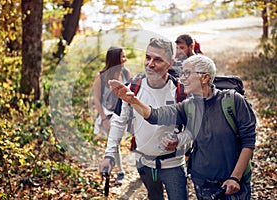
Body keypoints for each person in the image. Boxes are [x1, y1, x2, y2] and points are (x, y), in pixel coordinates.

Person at [108, 54, 256, 200]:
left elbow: (248, 142)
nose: (181, 78)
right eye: (181, 74)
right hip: (202, 182)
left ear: (205, 78)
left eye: (187, 73)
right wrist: (132, 100)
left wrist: (235, 178)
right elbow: (154, 115)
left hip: (233, 183)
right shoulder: (188, 106)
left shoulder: (233, 101)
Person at [99, 38, 188, 200]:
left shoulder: (180, 91)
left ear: (170, 63)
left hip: (173, 164)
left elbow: (192, 128)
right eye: (148, 57)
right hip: (145, 164)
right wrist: (109, 155)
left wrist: (180, 140)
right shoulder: (132, 87)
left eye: (158, 59)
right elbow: (118, 122)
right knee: (154, 197)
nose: (150, 64)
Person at [93, 46, 131, 181]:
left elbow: (130, 95)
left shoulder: (126, 73)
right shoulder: (101, 76)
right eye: (123, 57)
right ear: (115, 59)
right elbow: (96, 100)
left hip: (123, 112)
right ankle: (120, 171)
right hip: (108, 114)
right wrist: (104, 119)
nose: (125, 60)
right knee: (114, 141)